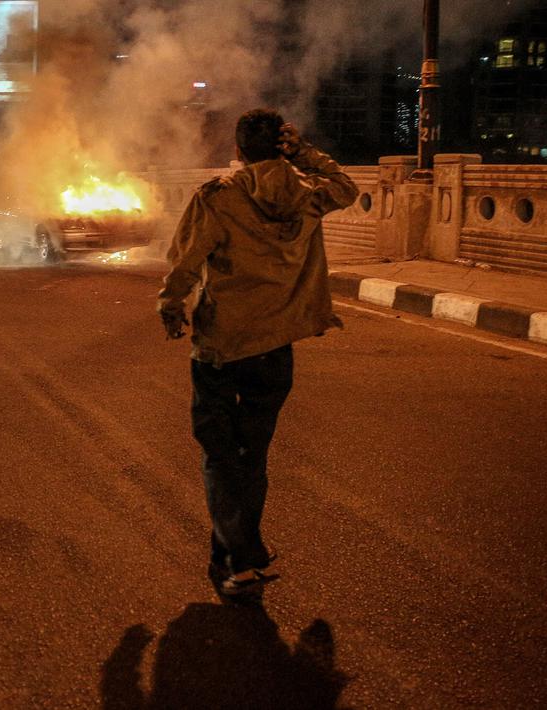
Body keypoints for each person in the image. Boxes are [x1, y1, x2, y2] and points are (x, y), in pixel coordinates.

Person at [158, 109, 358, 598]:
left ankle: (240, 560)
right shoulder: (308, 196)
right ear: (281, 147)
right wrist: (304, 154)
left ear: (240, 149)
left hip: (222, 347)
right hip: (275, 348)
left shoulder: (219, 198)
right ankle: (237, 557)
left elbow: (185, 259)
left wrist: (171, 301)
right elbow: (346, 187)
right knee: (252, 456)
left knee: (220, 456)